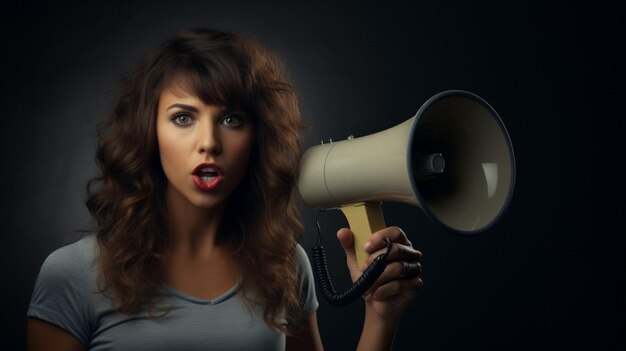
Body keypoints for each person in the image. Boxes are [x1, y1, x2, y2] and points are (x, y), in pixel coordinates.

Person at [26, 27, 423, 351]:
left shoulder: (283, 266)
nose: (209, 142)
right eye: (183, 118)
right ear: (150, 133)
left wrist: (379, 316)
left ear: (257, 137)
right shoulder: (72, 275)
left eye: (231, 119)